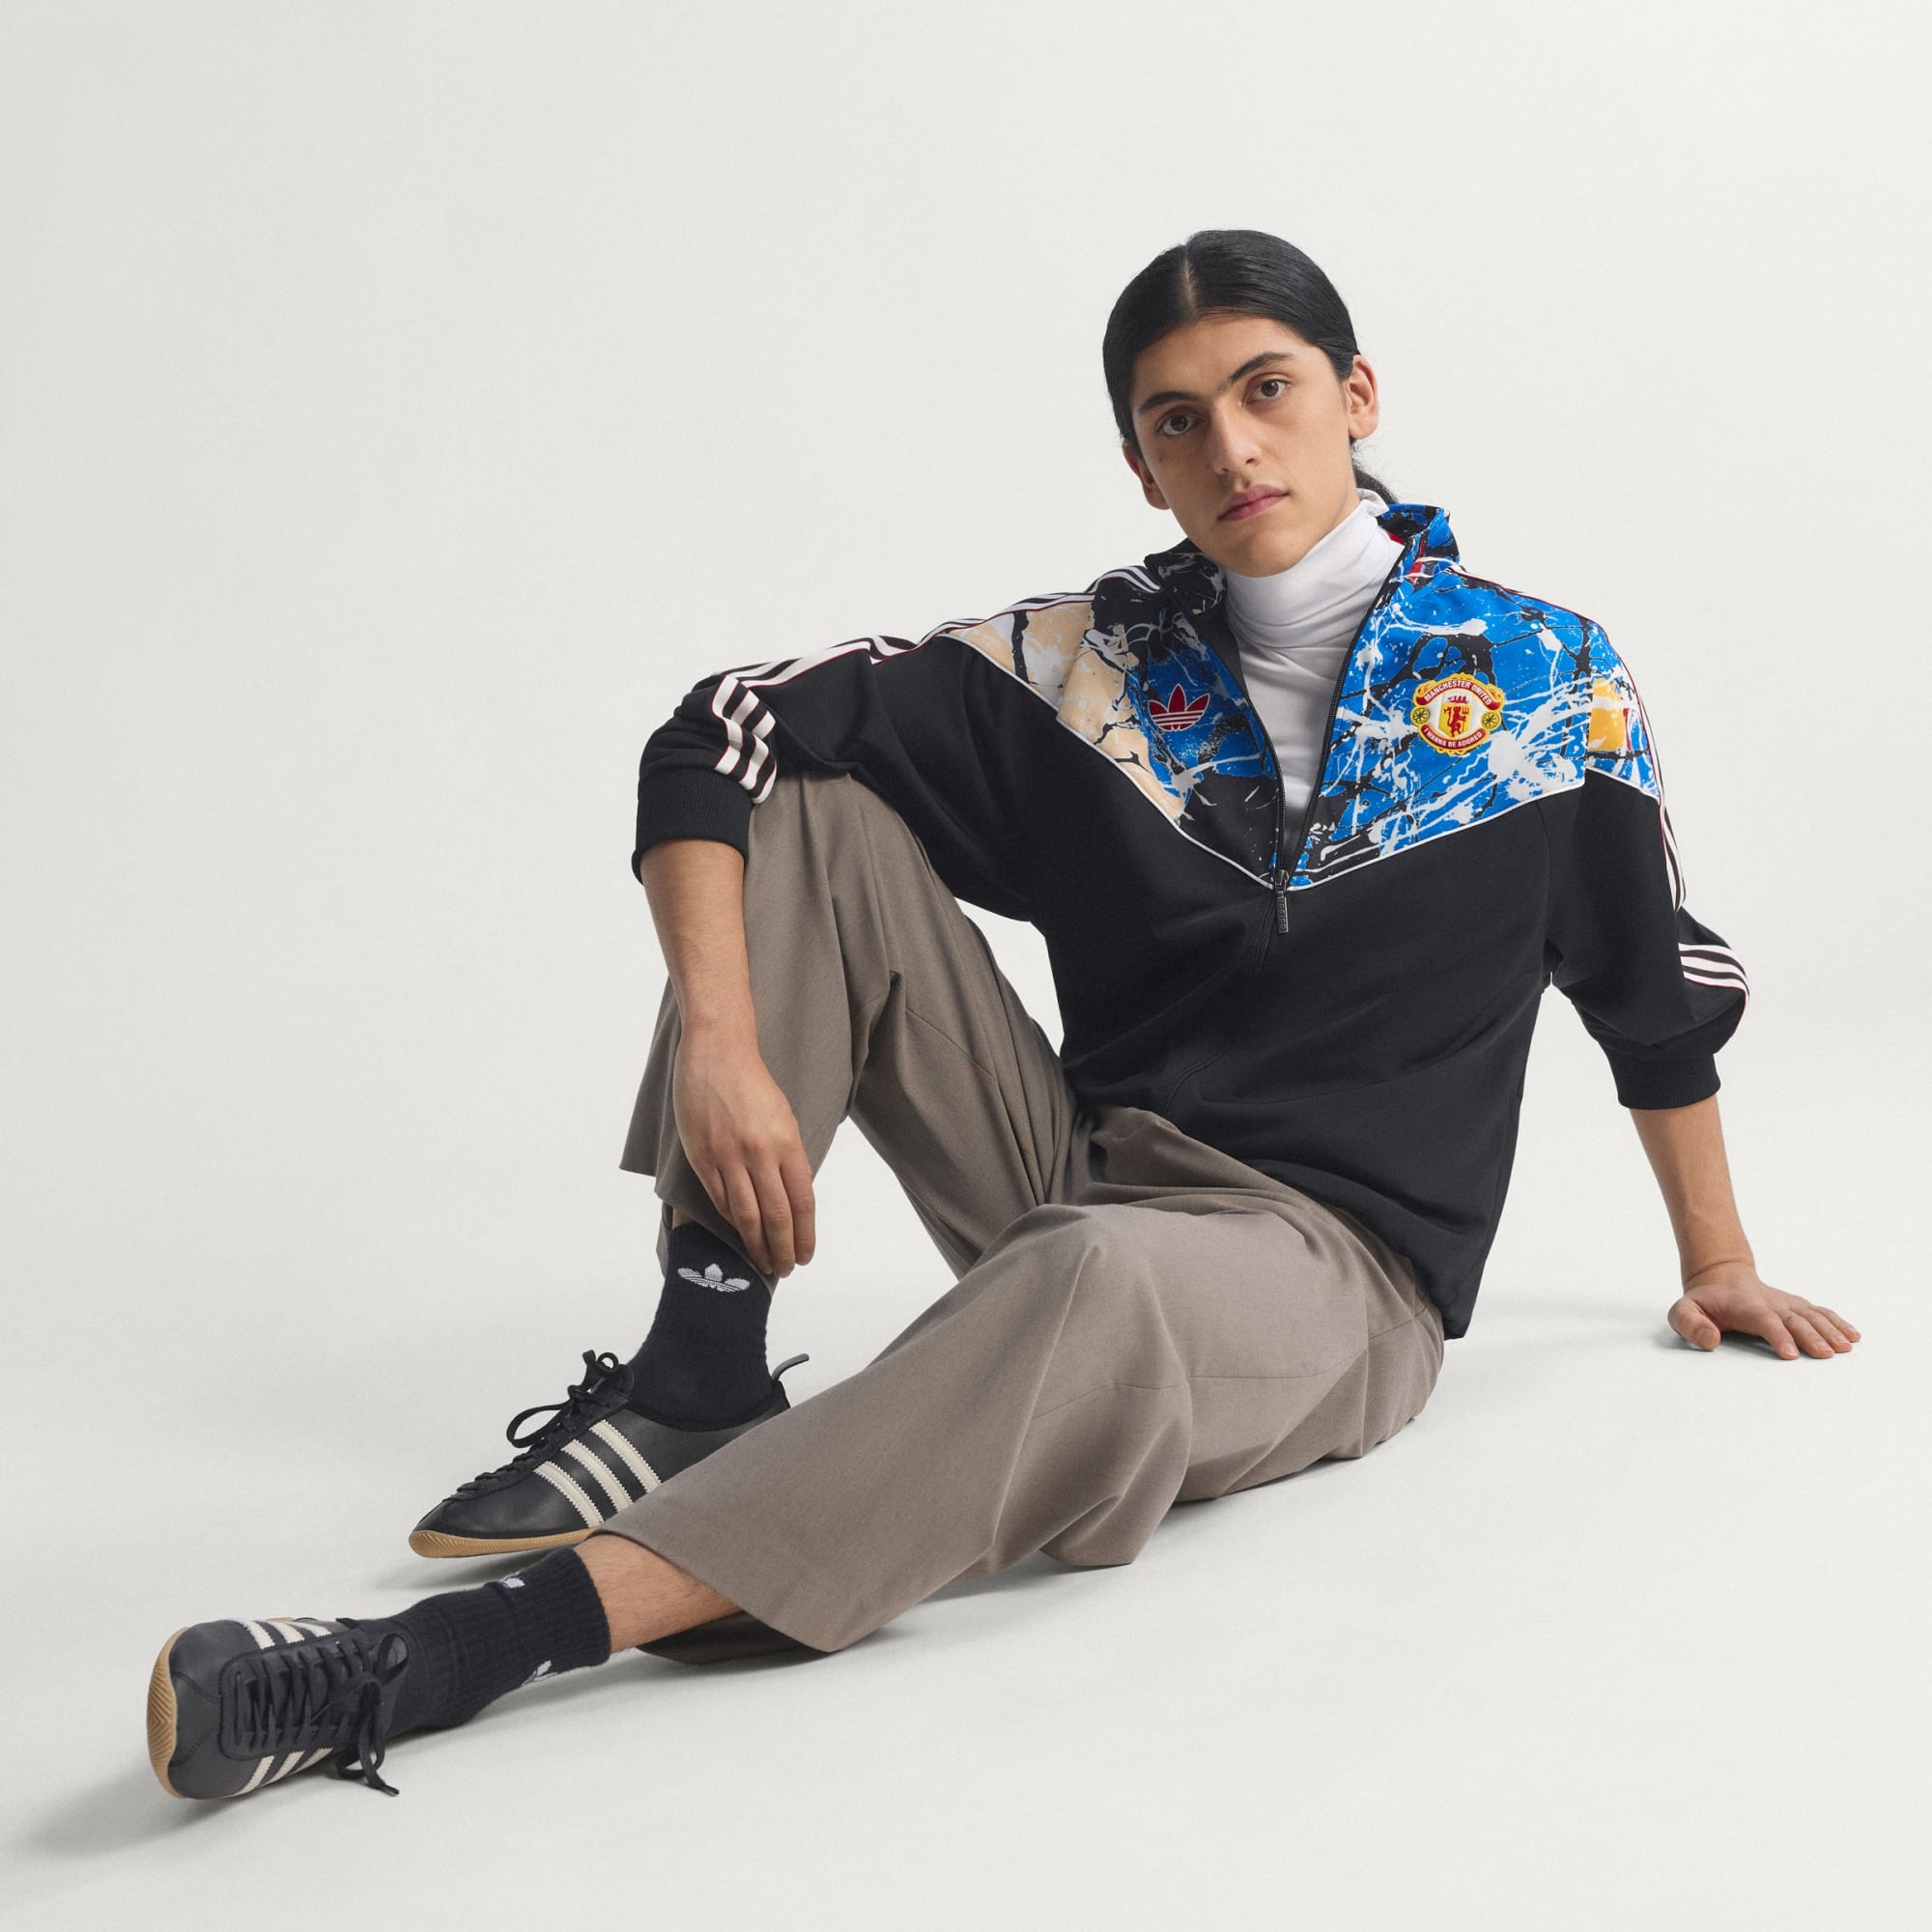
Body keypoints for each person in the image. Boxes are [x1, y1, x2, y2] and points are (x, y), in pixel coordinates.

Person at [144, 228, 1861, 1803]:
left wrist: (1716, 1259)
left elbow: (1654, 996)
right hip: (1075, 1174)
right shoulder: (1094, 666)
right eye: (1177, 421)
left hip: (1335, 1280)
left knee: (1091, 1276)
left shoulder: (1546, 685)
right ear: (1140, 463)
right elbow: (726, 726)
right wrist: (721, 1046)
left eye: (1267, 391)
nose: (1232, 448)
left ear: (1356, 396)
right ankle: (701, 1362)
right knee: (816, 806)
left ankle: (451, 1659)